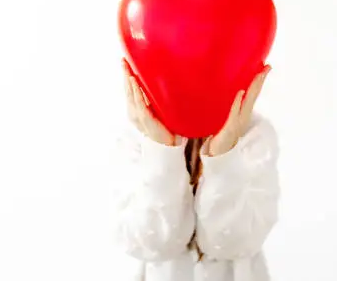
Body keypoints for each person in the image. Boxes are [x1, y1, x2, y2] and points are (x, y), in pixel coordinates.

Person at [110, 59, 280, 281]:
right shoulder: (137, 137)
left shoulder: (254, 134)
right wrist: (161, 149)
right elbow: (152, 244)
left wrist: (223, 154)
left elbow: (232, 245)